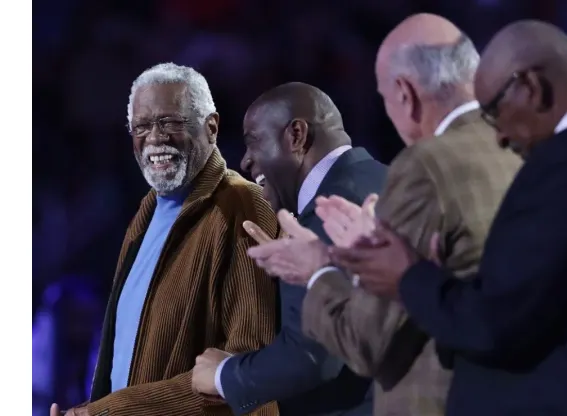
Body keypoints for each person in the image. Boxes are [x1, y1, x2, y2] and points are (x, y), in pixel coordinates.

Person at [330, 20, 567, 416]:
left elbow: (496, 325)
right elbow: (538, 304)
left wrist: (408, 276)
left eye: (494, 112)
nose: (501, 137)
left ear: (531, 87)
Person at [247, 14, 521, 415]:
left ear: (405, 93)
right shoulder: (520, 151)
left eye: (385, 98)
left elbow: (367, 344)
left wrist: (317, 269)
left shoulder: (425, 167)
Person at [51, 63, 279, 416]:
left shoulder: (242, 205)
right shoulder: (145, 215)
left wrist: (112, 412)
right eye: (141, 126)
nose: (154, 138)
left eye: (170, 122)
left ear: (211, 128)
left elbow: (248, 371)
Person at [190, 82, 386, 416]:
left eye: (254, 141)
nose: (246, 159)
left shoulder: (329, 210)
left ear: (296, 135)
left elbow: (313, 357)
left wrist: (224, 376)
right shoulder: (382, 179)